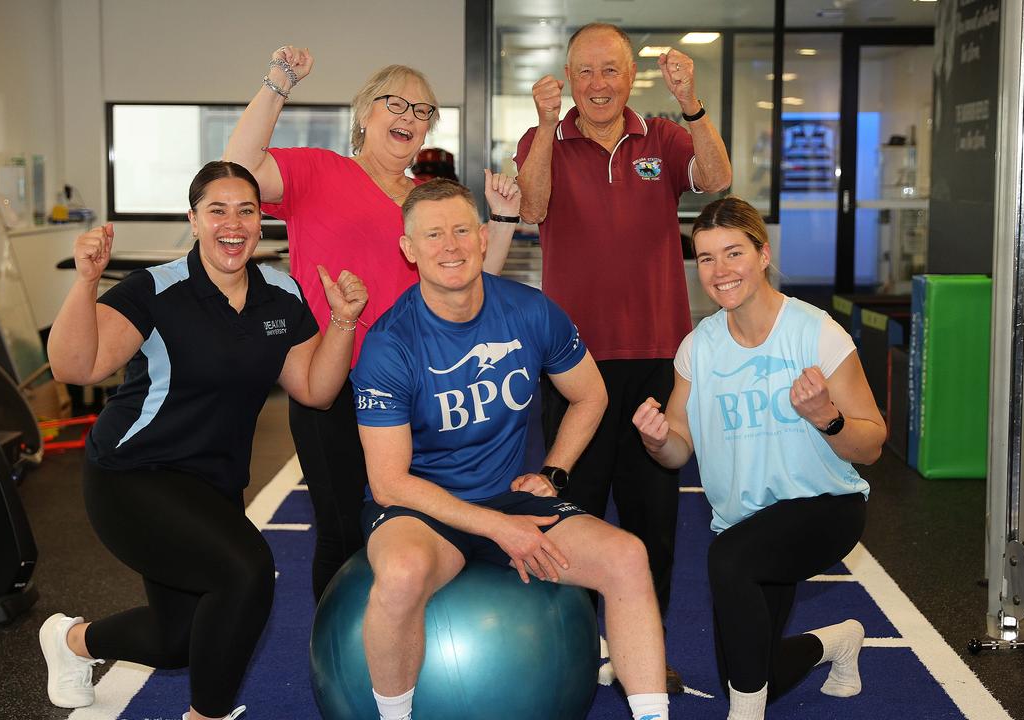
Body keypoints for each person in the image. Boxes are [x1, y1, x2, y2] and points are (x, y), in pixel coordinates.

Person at [39, 161, 368, 720]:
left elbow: (314, 389)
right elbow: (76, 366)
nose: (232, 223)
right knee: (246, 572)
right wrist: (86, 281)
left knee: (178, 641)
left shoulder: (281, 294)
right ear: (193, 220)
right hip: (134, 475)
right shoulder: (156, 290)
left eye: (247, 210)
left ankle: (71, 643)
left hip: (212, 485)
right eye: (217, 210)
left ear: (262, 222)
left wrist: (342, 323)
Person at [351, 179, 670, 720]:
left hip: (509, 497)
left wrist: (554, 471)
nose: (449, 246)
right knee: (401, 573)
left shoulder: (530, 311)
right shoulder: (389, 343)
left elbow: (591, 395)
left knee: (626, 557)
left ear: (482, 238)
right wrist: (496, 527)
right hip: (424, 509)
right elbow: (389, 483)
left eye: (459, 231)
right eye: (432, 235)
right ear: (408, 249)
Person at [225, 46, 522, 601]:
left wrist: (502, 219)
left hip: (419, 388)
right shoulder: (318, 171)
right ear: (365, 114)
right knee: (340, 532)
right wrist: (279, 81)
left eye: (423, 111)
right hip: (333, 380)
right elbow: (239, 164)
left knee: (414, 527)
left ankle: (402, 651)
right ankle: (340, 671)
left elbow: (467, 277)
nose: (410, 118)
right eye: (397, 104)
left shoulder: (425, 201)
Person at [514, 22, 734, 689]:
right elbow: (531, 207)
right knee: (571, 519)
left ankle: (648, 652)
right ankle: (576, 655)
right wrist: (547, 125)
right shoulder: (543, 138)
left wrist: (692, 103)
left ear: (629, 77)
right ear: (568, 76)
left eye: (610, 71)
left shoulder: (663, 136)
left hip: (651, 362)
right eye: (585, 71)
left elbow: (717, 181)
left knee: (652, 522)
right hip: (573, 366)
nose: (598, 85)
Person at [631, 196, 886, 720]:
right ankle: (838, 642)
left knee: (728, 562)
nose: (720, 271)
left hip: (825, 506)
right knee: (747, 672)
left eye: (733, 253)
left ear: (762, 254)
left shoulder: (815, 332)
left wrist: (826, 417)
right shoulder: (698, 348)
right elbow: (678, 448)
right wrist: (657, 439)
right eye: (705, 258)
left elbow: (873, 443)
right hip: (746, 522)